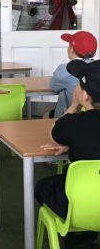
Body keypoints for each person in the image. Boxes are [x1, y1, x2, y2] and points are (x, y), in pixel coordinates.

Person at [35, 59, 100, 248]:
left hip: (82, 203)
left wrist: (73, 106)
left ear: (85, 95)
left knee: (43, 186)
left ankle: (80, 238)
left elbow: (55, 136)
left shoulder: (74, 124)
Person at [49, 31, 97, 118]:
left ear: (71, 49)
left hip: (72, 116)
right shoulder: (97, 68)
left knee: (62, 92)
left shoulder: (64, 69)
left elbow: (53, 86)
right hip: (95, 116)